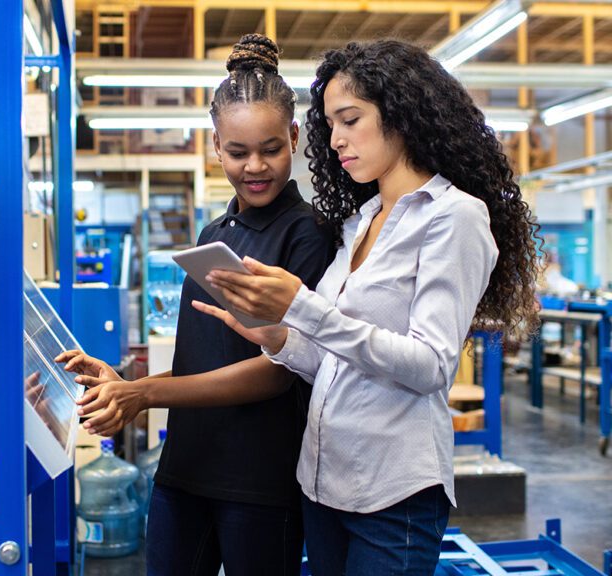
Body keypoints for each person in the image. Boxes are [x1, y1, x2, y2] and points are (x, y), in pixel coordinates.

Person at [194, 39, 541, 575]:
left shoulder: (453, 218)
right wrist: (279, 337)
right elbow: (332, 360)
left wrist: (303, 308)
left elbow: (429, 366)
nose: (335, 140)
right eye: (329, 125)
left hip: (393, 491)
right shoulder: (361, 222)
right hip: (322, 483)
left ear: (399, 112)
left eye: (350, 120)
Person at [56, 34, 334, 576]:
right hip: (183, 470)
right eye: (237, 152)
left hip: (258, 482)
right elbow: (203, 353)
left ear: (295, 138)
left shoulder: (307, 234)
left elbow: (279, 371)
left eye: (271, 149)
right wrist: (123, 378)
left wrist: (145, 392)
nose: (255, 166)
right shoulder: (215, 232)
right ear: (215, 146)